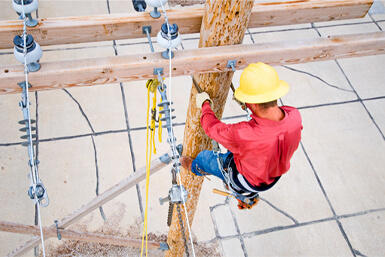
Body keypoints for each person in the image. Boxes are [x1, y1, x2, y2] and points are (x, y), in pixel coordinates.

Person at [180, 62, 302, 197]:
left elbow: (211, 128)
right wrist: (247, 103)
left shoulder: (244, 135)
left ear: (253, 103)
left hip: (243, 179)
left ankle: (194, 167)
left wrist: (205, 105)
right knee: (237, 147)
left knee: (204, 158)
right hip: (272, 174)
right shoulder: (295, 116)